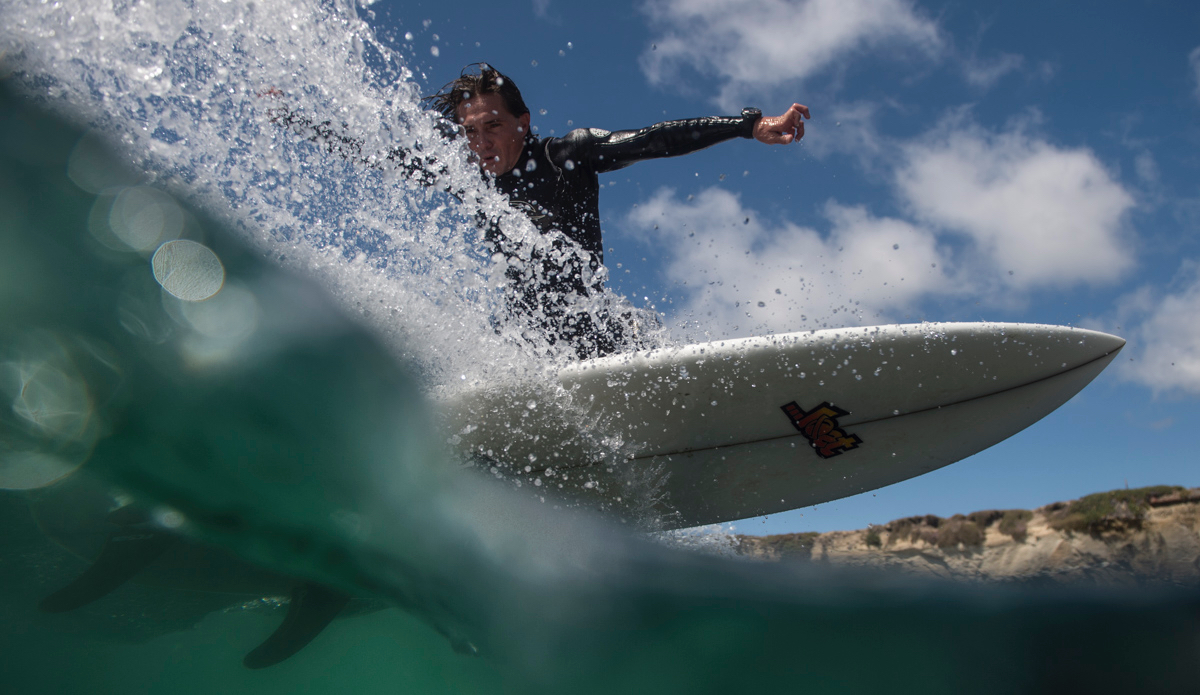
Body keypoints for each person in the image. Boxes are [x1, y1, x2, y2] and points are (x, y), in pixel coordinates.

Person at [265, 64, 810, 358]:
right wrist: (295, 118)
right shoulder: (469, 177)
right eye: (470, 132)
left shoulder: (565, 155)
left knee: (628, 336)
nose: (481, 143)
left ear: (522, 122)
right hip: (530, 344)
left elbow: (652, 139)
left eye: (493, 126)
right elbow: (380, 154)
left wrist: (748, 125)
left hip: (597, 332)